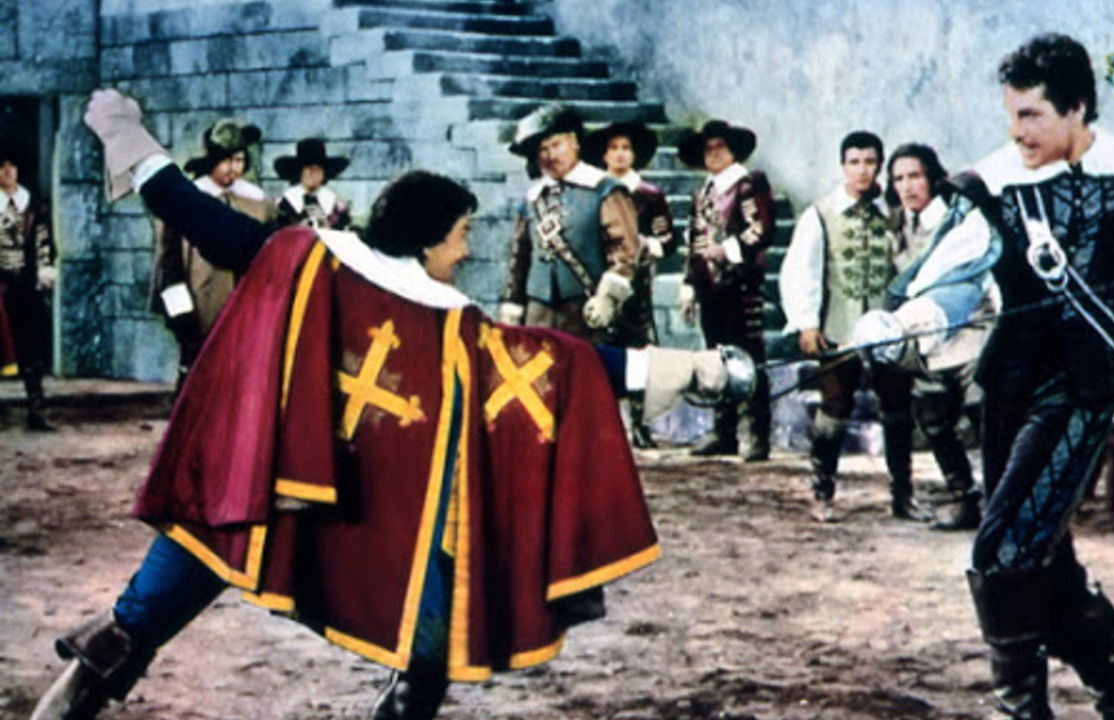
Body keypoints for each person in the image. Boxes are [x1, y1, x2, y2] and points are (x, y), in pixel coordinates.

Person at [30, 88, 750, 720]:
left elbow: (199, 216)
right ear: (430, 239)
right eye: (461, 237)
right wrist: (699, 369)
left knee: (158, 601)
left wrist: (127, 134)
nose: (464, 253)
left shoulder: (307, 256)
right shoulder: (442, 321)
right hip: (341, 500)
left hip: (272, 483)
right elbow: (564, 363)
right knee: (429, 635)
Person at [854, 34, 1114, 719]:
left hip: (1080, 393)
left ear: (1077, 108)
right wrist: (907, 320)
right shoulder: (994, 184)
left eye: (1031, 115)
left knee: (1005, 551)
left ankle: (1023, 712)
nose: (1016, 131)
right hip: (1008, 392)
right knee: (1046, 568)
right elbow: (954, 275)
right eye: (1011, 114)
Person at [779, 131, 928, 522]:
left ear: (879, 166)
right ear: (843, 165)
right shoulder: (820, 214)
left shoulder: (894, 214)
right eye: (854, 162)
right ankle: (822, 491)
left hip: (888, 329)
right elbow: (801, 271)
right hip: (838, 327)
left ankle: (903, 495)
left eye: (870, 162)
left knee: (897, 407)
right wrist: (807, 322)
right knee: (834, 406)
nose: (862, 171)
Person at [885, 142, 990, 531]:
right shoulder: (897, 227)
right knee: (933, 421)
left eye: (915, 176)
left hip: (972, 332)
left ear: (932, 178)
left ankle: (1002, 500)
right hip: (927, 340)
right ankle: (964, 498)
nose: (907, 186)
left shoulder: (960, 222)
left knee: (984, 416)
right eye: (898, 179)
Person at [150, 118, 275, 391]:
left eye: (239, 160)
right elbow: (170, 264)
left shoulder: (258, 203)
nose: (234, 168)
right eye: (226, 160)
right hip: (202, 306)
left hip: (248, 309)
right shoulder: (189, 201)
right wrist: (182, 317)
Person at [677, 119, 776, 462]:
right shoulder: (703, 193)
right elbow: (696, 242)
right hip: (711, 288)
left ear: (733, 150)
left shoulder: (748, 184)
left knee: (749, 356)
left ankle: (758, 434)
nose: (714, 154)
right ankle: (724, 431)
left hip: (740, 284)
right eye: (708, 149)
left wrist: (728, 250)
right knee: (716, 357)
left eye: (720, 147)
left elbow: (761, 229)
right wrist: (690, 284)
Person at [499, 104, 640, 344]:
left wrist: (607, 298)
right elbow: (519, 259)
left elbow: (625, 250)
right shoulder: (532, 199)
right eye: (542, 149)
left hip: (586, 312)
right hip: (538, 314)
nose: (550, 156)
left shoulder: (604, 189)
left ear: (574, 142)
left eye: (556, 145)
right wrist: (512, 307)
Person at [583, 120, 676, 448]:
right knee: (600, 348)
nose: (620, 155)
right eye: (613, 149)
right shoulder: (595, 192)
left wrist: (648, 245)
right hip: (600, 282)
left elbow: (669, 238)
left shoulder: (649, 195)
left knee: (636, 350)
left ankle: (639, 423)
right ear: (604, 155)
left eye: (626, 148)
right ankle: (603, 421)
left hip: (635, 286)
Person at [0, 142, 56, 430]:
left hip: (26, 285)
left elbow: (44, 241)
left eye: (12, 166)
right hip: (0, 285)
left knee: (31, 346)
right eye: (2, 167)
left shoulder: (33, 204)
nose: (7, 171)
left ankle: (36, 410)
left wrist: (45, 271)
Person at [273, 137, 353, 230]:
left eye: (317, 169)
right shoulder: (283, 204)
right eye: (308, 168)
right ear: (299, 172)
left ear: (324, 173)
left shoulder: (336, 205)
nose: (313, 173)